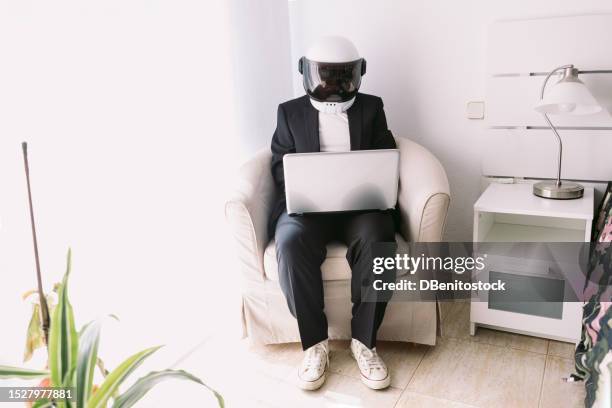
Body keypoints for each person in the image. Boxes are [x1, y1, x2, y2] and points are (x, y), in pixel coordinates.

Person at [270, 35, 397, 391]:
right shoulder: (289, 111)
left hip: (361, 207)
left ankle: (364, 342)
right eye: (324, 75)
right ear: (308, 75)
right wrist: (301, 191)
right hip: (308, 210)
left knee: (379, 237)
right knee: (291, 240)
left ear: (357, 74)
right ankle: (315, 345)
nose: (332, 84)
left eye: (341, 76)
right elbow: (281, 165)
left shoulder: (372, 107)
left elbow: (386, 155)